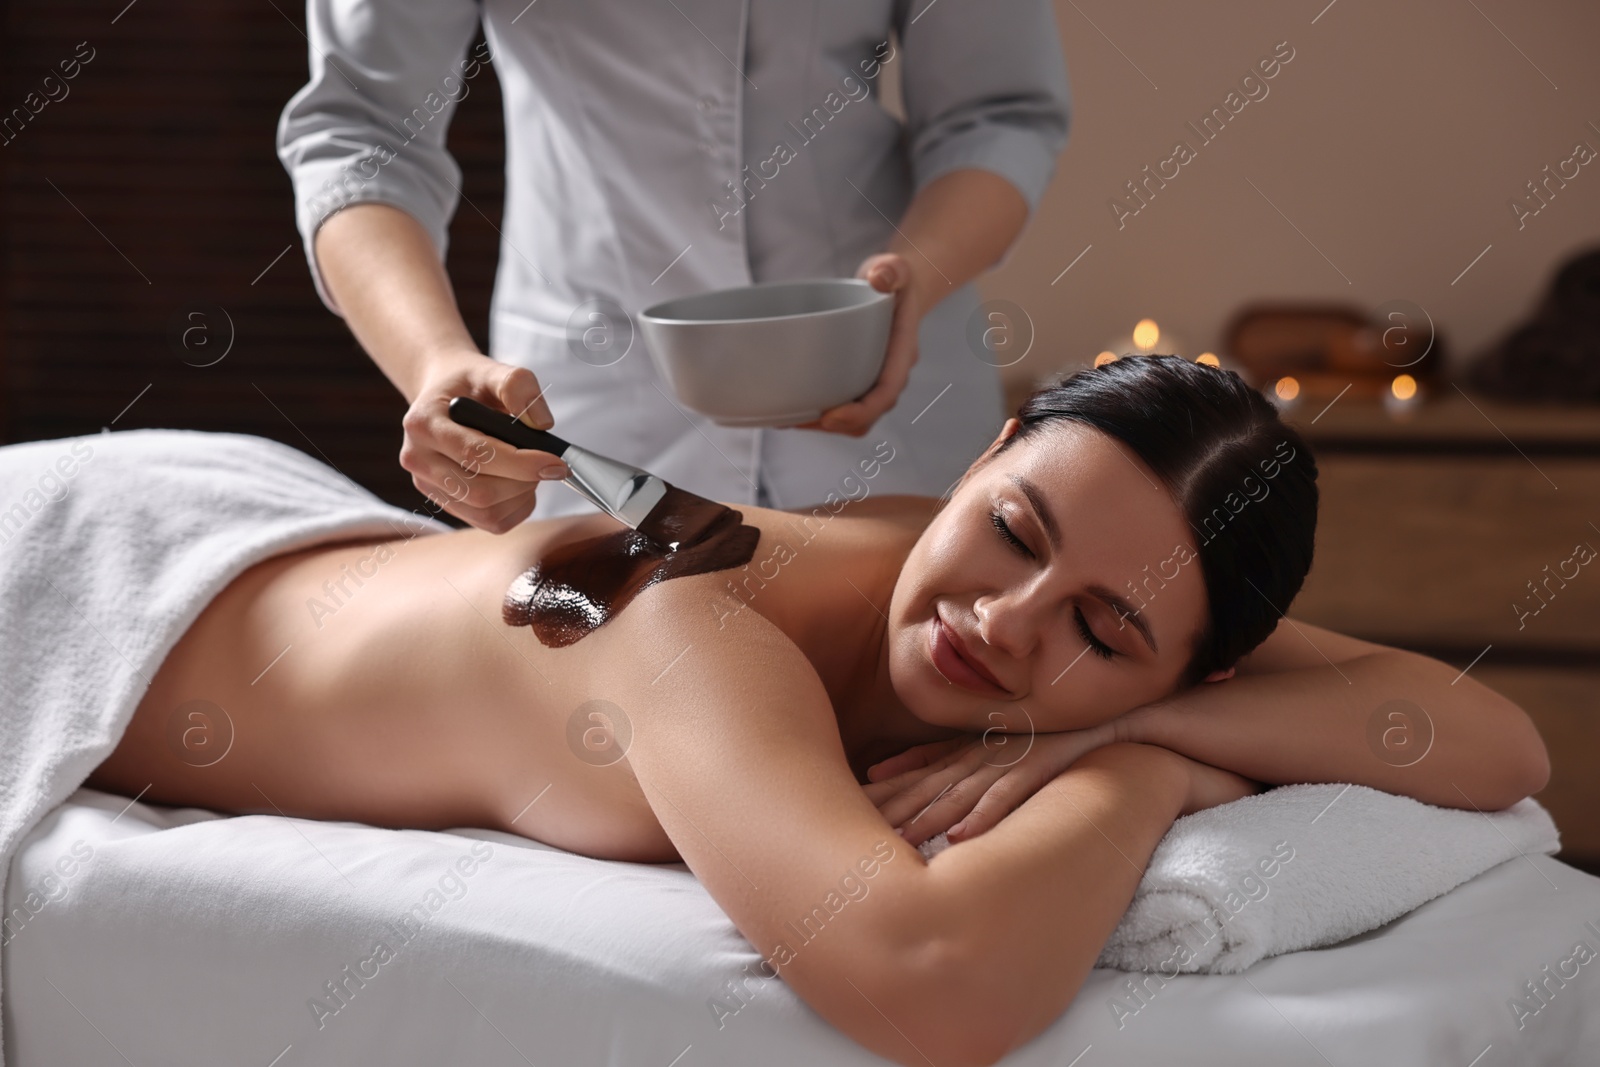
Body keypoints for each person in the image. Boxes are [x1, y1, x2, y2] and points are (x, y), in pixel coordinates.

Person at [85, 357, 1547, 1065]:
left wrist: (1131, 734)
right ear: (984, 454)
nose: (999, 620)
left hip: (303, 550)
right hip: (94, 580)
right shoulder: (690, 626)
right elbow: (933, 979)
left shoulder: (1089, 601)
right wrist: (1144, 767)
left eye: (1103, 632)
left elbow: (1494, 742)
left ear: (1205, 664)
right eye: (1012, 531)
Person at [276, 0, 1072, 533]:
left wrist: (911, 279)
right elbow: (362, 132)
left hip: (896, 401)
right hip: (588, 407)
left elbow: (995, 113)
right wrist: (435, 362)